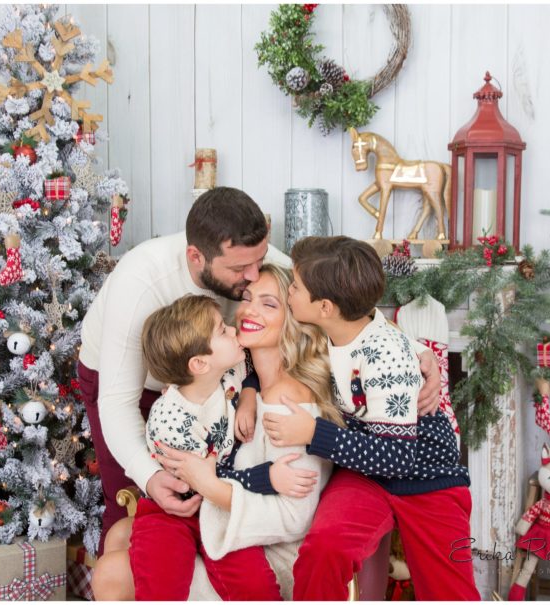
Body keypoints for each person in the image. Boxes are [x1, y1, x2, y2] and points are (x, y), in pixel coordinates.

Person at [77, 187, 444, 554]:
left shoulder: (250, 261)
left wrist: (414, 349)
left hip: (219, 380)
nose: (253, 274)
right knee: (132, 507)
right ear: (196, 257)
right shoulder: (140, 283)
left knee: (204, 497)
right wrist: (149, 475)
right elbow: (116, 403)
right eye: (240, 269)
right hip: (136, 385)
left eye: (260, 260)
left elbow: (340, 306)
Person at [92, 265, 336, 599]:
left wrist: (247, 397)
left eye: (269, 303)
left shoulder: (281, 397)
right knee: (125, 538)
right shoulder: (212, 387)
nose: (246, 312)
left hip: (252, 535)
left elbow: (290, 516)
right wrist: (248, 397)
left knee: (114, 569)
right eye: (247, 297)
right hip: (196, 507)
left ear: (294, 317)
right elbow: (197, 477)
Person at [263, 236, 480, 601]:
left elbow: (397, 459)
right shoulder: (343, 323)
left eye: (295, 287)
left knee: (451, 593)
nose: (289, 292)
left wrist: (315, 432)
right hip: (366, 468)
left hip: (426, 475)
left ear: (326, 307)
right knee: (323, 550)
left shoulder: (385, 355)